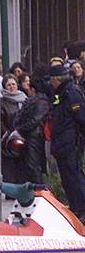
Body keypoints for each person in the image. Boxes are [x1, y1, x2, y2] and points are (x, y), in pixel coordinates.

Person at [47, 62, 85, 218]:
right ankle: (76, 208)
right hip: (62, 145)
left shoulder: (72, 93)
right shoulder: (60, 94)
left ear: (57, 79)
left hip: (71, 144)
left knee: (74, 177)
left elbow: (81, 119)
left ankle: (82, 209)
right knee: (67, 179)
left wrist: (78, 143)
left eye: (52, 79)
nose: (50, 83)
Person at [11, 69, 50, 185]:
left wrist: (20, 128)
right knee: (29, 164)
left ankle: (39, 188)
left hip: (34, 136)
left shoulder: (41, 102)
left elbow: (35, 120)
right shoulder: (33, 101)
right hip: (29, 136)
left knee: (34, 164)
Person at [0, 74, 28, 185]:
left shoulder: (25, 99)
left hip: (24, 137)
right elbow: (0, 120)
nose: (11, 87)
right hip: (8, 139)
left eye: (13, 84)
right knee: (10, 165)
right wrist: (8, 133)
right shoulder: (2, 102)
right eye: (8, 85)